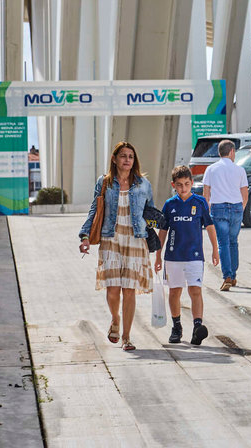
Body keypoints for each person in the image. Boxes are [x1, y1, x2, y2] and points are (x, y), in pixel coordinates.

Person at [78, 141, 155, 351]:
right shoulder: (104, 183)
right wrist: (84, 235)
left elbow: (151, 214)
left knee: (129, 290)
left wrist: (155, 235)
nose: (127, 160)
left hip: (135, 240)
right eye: (123, 156)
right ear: (114, 159)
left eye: (130, 156)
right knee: (113, 290)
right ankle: (115, 318)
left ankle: (127, 338)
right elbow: (94, 210)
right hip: (110, 239)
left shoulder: (143, 184)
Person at [154, 165, 219, 345]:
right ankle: (177, 327)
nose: (184, 188)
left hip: (195, 256)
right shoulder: (169, 205)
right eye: (180, 185)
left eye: (187, 184)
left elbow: (210, 226)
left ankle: (198, 327)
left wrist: (215, 249)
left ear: (192, 183)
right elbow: (163, 231)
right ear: (173, 185)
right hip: (173, 257)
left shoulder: (200, 203)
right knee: (174, 292)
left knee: (195, 290)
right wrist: (158, 256)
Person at [202, 139, 249, 291]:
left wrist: (207, 210)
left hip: (218, 207)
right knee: (233, 241)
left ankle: (227, 276)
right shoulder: (240, 170)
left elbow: (206, 192)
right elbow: (245, 193)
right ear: (232, 152)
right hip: (236, 207)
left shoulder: (211, 169)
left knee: (223, 243)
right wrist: (241, 208)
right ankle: (233, 275)